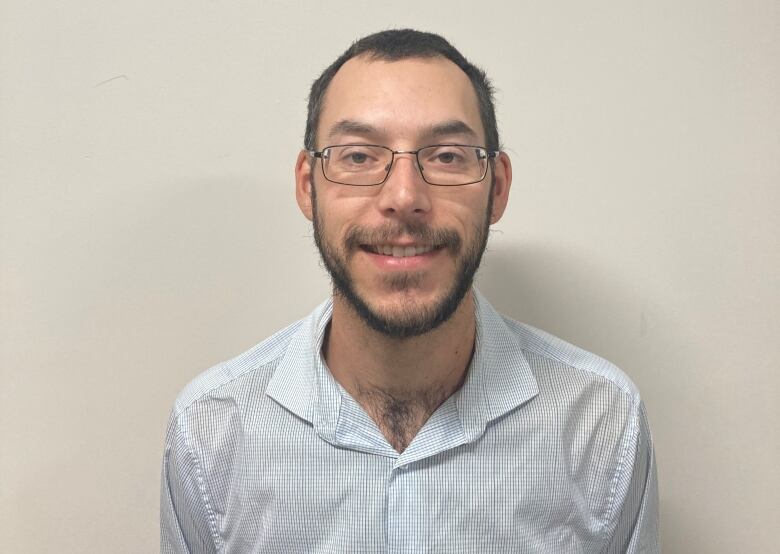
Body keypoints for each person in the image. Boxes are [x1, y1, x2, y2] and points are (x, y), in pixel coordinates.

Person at [160, 29, 658, 553]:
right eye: (358, 157)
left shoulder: (601, 423)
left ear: (498, 189)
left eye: (446, 156)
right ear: (309, 186)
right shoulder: (210, 431)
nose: (404, 196)